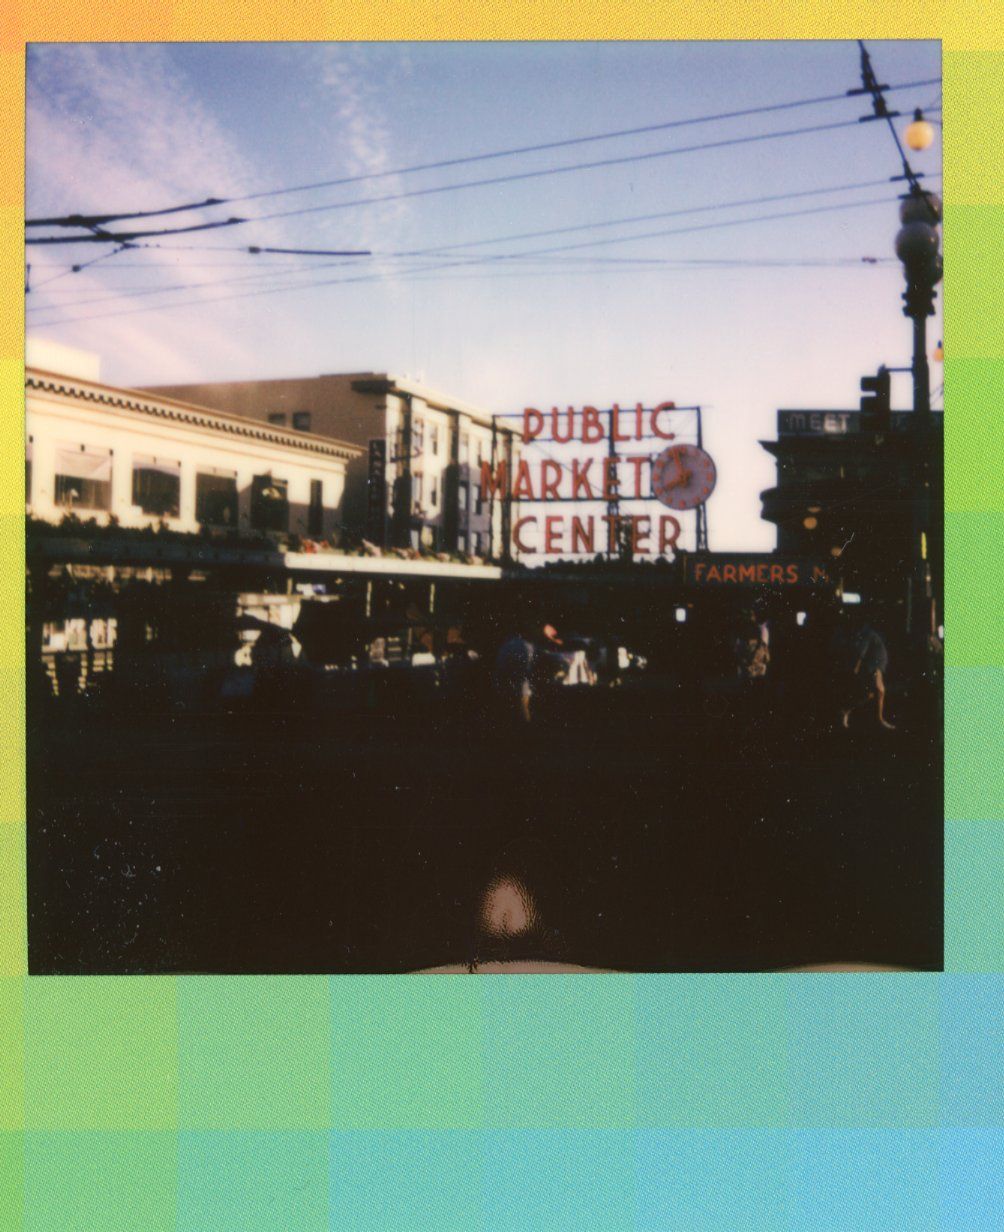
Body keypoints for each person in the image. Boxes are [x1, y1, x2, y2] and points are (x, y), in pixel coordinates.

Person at [840, 619, 895, 730]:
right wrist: (856, 667)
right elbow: (861, 652)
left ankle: (846, 710)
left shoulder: (875, 635)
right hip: (874, 667)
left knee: (869, 694)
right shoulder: (869, 634)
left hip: (878, 666)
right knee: (880, 690)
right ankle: (879, 720)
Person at [494, 630, 536, 723]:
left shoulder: (506, 646)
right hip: (524, 684)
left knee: (508, 712)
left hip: (507, 683)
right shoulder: (529, 646)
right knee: (524, 711)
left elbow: (500, 665)